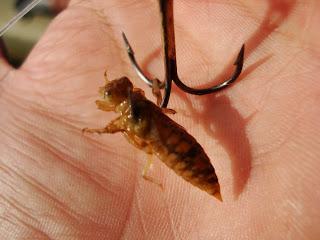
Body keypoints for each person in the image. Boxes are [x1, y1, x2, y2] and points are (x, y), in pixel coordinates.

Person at [0, 0, 319, 239]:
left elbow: (117, 124)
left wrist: (143, 100)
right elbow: (138, 117)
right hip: (181, 151)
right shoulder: (134, 109)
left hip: (181, 153)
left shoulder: (129, 115)